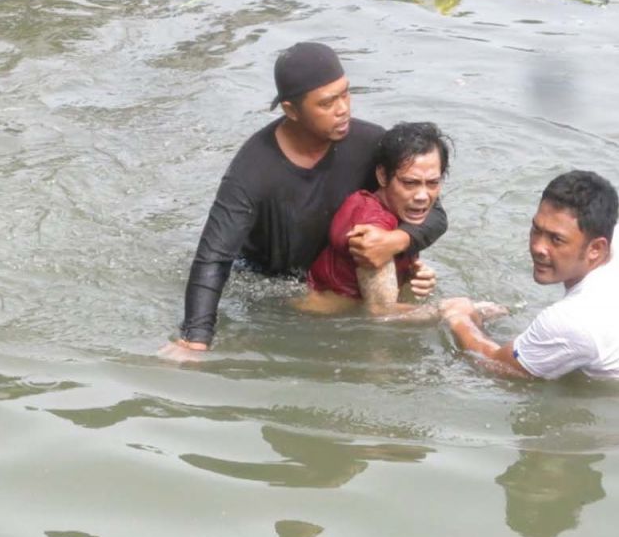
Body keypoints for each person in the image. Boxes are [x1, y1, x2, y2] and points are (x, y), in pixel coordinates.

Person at [159, 42, 448, 358]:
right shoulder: (253, 170)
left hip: (333, 271)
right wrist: (195, 340)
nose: (343, 109)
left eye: (345, 94)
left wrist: (398, 242)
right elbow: (213, 257)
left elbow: (432, 209)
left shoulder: (368, 144)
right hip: (271, 285)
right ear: (291, 110)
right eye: (327, 103)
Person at [439, 170, 619, 382]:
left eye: (556, 239)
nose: (538, 247)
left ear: (596, 248)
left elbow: (501, 367)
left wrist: (461, 319)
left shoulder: (571, 320)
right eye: (536, 230)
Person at [298, 122, 505, 321]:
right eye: (409, 183)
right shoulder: (371, 225)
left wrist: (408, 276)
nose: (423, 196)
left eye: (433, 183)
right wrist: (454, 311)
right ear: (382, 175)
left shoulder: (399, 211)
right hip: (317, 319)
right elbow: (381, 312)